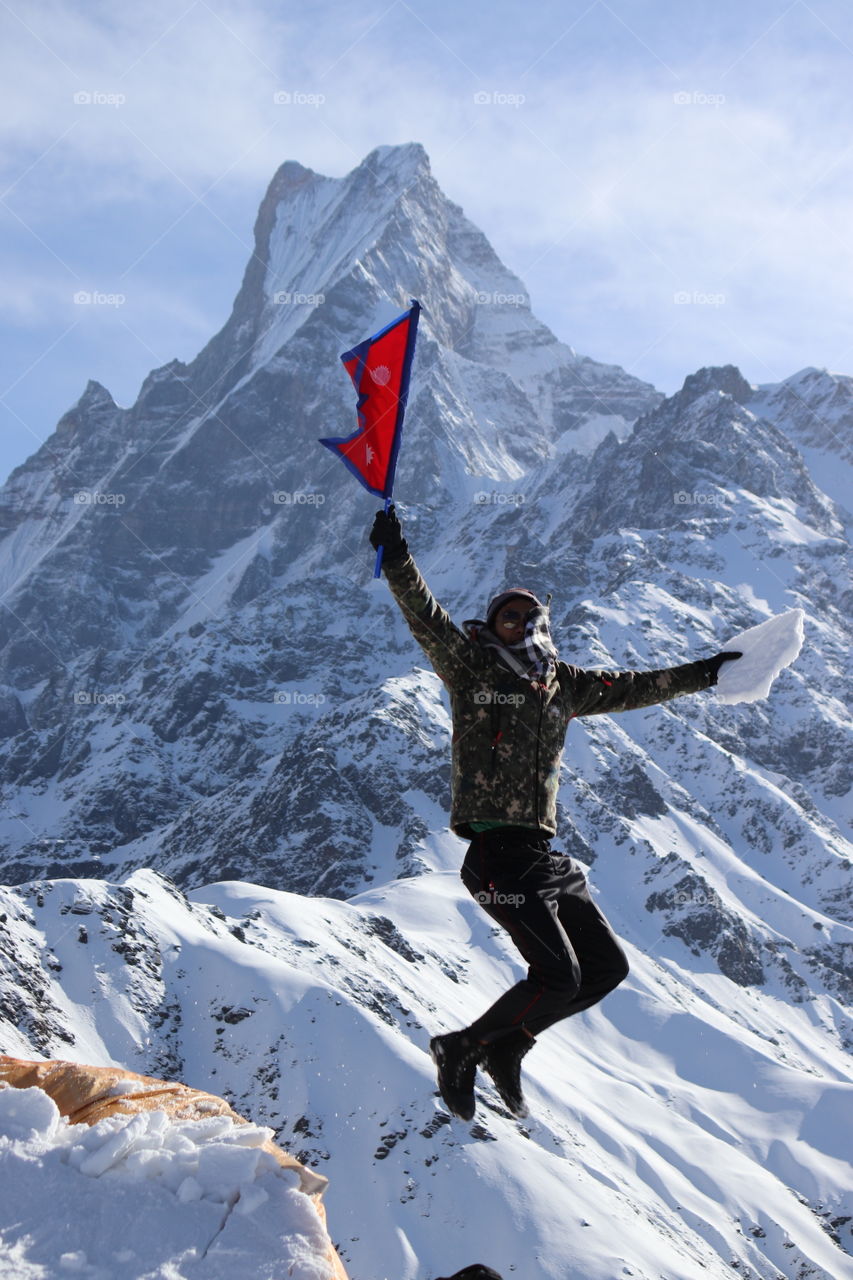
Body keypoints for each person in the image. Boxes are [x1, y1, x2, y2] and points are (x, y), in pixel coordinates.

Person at [370, 505, 741, 1122]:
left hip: (544, 856)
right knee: (557, 976)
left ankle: (510, 1046)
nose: (514, 623)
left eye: (525, 616)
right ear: (492, 623)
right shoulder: (470, 667)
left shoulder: (560, 683)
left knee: (605, 969)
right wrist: (397, 555)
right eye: (504, 616)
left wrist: (709, 674)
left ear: (540, 623)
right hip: (495, 853)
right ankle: (460, 1048)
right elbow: (424, 615)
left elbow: (638, 687)